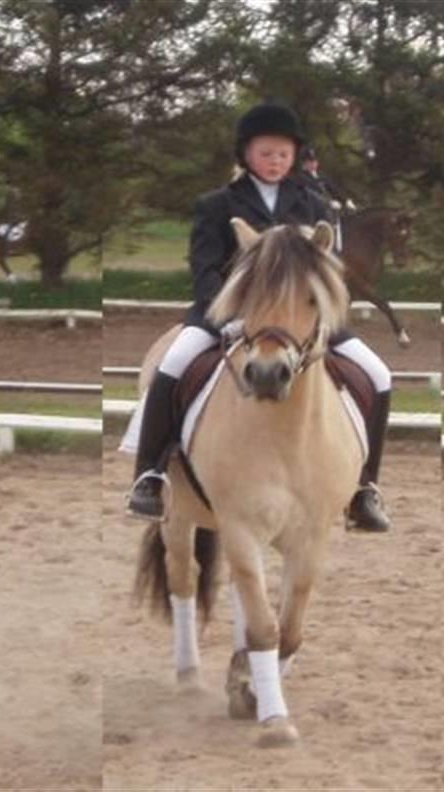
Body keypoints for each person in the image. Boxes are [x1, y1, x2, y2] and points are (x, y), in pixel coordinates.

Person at [126, 102, 392, 533]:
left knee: (379, 376)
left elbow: (329, 270)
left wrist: (322, 315)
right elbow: (205, 268)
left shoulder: (314, 205)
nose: (275, 162)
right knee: (171, 366)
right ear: (246, 154)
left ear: (295, 157)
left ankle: (364, 489)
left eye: (283, 154)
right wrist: (228, 315)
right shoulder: (216, 204)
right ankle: (150, 475)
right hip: (226, 316)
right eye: (266, 153)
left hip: (303, 320)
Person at [296, 146, 357, 213]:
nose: (314, 162)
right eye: (310, 161)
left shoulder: (321, 177)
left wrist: (345, 201)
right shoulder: (300, 179)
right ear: (304, 163)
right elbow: (310, 195)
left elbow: (333, 191)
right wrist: (328, 203)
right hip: (310, 215)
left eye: (315, 160)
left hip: (328, 213)